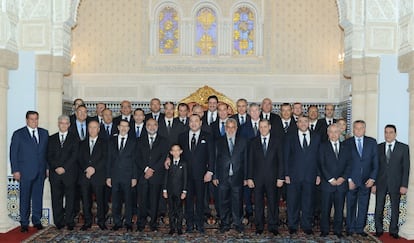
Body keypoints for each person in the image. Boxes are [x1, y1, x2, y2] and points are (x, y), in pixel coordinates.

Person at [10, 111, 49, 233]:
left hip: (40, 171)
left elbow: (47, 153)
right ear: (27, 120)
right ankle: (24, 223)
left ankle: (36, 220)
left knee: (38, 197)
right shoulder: (18, 134)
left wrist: (47, 168)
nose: (34, 121)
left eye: (36, 119)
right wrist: (15, 170)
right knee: (25, 197)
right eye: (32, 119)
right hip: (25, 172)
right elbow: (13, 153)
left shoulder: (44, 133)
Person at [177, 114, 214, 233]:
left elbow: (211, 156)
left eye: (196, 121)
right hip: (186, 175)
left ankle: (199, 224)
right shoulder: (181, 136)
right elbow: (178, 154)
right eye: (191, 121)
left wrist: (210, 171)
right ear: (188, 123)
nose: (194, 123)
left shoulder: (207, 136)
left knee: (200, 200)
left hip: (201, 175)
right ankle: (189, 223)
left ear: (200, 123)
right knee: (187, 200)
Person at [284, 115, 321, 235]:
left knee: (308, 202)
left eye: (306, 121)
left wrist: (318, 174)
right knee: (293, 202)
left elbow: (319, 158)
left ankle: (306, 225)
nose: (303, 123)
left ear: (309, 122)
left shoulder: (317, 137)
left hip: (310, 175)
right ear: (297, 124)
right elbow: (286, 157)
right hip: (294, 176)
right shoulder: (290, 137)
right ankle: (293, 225)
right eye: (301, 121)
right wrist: (286, 174)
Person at [247, 119, 284, 235]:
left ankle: (273, 226)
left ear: (269, 127)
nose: (263, 129)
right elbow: (250, 161)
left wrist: (280, 177)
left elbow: (281, 161)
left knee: (273, 203)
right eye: (261, 127)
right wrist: (249, 178)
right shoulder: (253, 142)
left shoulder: (277, 141)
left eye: (265, 126)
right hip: (257, 179)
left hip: (273, 178)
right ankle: (259, 226)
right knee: (258, 203)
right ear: (258, 128)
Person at [373, 124, 410, 239]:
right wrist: (373, 183)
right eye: (386, 132)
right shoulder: (378, 147)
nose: (388, 135)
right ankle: (378, 229)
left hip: (396, 183)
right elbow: (374, 166)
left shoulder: (403, 148)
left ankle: (393, 230)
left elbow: (406, 167)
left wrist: (404, 185)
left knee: (395, 208)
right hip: (380, 183)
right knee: (379, 207)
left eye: (390, 132)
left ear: (395, 134)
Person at [213, 118, 248, 233]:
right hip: (222, 176)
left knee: (237, 201)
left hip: (238, 176)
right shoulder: (218, 141)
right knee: (223, 201)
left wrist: (246, 177)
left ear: (237, 128)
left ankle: (237, 223)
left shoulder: (243, 141)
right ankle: (225, 223)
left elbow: (246, 161)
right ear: (225, 128)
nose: (231, 129)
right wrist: (215, 176)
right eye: (228, 127)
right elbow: (214, 160)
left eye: (233, 127)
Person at [344, 120, 378, 237]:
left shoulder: (372, 142)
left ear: (364, 129)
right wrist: (349, 179)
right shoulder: (347, 143)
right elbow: (345, 163)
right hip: (352, 181)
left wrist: (372, 179)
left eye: (361, 128)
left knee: (364, 205)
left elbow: (375, 162)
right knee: (350, 205)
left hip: (366, 181)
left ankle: (360, 228)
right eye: (356, 128)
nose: (358, 130)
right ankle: (350, 227)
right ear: (353, 129)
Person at [136, 118, 169, 232]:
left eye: (154, 125)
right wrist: (146, 169)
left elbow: (163, 157)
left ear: (157, 126)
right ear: (145, 127)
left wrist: (152, 169)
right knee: (142, 201)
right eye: (149, 125)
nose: (152, 127)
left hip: (157, 175)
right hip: (143, 175)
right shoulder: (139, 140)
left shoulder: (164, 140)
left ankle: (153, 224)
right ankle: (141, 223)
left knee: (155, 201)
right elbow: (137, 158)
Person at [318, 124, 351, 238]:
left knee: (339, 209)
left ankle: (338, 230)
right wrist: (330, 179)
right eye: (331, 132)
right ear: (328, 133)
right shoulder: (322, 147)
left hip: (341, 184)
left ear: (339, 133)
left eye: (336, 132)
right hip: (328, 184)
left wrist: (343, 177)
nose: (333, 134)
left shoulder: (346, 148)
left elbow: (349, 165)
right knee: (325, 209)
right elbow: (321, 164)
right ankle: (324, 230)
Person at [47, 115, 78, 230]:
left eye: (66, 123)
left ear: (69, 125)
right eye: (61, 123)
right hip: (55, 174)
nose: (63, 125)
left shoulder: (74, 138)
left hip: (69, 173)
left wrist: (64, 167)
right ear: (58, 124)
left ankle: (70, 221)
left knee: (70, 199)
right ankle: (58, 222)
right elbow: (49, 156)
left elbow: (74, 155)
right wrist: (56, 167)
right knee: (56, 199)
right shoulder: (51, 138)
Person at [107, 120, 138, 231]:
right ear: (118, 127)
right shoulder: (111, 141)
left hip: (128, 176)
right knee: (116, 202)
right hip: (115, 176)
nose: (124, 128)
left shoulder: (133, 142)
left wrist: (134, 177)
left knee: (129, 201)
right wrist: (108, 176)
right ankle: (117, 222)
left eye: (126, 126)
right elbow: (109, 160)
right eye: (122, 126)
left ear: (129, 129)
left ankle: (128, 223)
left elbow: (135, 161)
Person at [78, 120, 108, 231]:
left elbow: (105, 158)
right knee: (86, 202)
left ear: (99, 129)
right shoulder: (81, 143)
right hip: (85, 177)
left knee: (101, 201)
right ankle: (87, 222)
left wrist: (94, 168)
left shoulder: (105, 143)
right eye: (90, 127)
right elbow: (79, 159)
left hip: (98, 176)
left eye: (95, 127)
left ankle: (101, 222)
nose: (92, 130)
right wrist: (87, 169)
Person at [163, 144, 187, 235]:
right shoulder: (168, 163)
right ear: (171, 152)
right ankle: (172, 228)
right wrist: (164, 190)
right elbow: (166, 177)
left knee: (179, 210)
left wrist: (184, 191)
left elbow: (185, 178)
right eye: (174, 150)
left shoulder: (184, 163)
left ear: (181, 151)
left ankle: (179, 228)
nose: (176, 152)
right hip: (170, 191)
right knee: (171, 210)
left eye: (178, 150)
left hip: (179, 191)